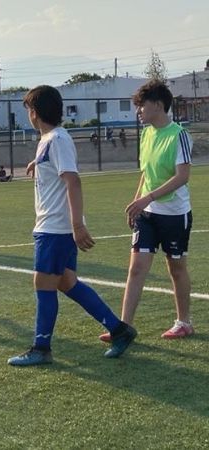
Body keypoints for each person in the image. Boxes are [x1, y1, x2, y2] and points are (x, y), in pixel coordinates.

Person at [7, 85, 135, 366]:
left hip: (55, 227)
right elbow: (56, 168)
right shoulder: (49, 141)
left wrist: (77, 225)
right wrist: (36, 163)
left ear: (35, 112)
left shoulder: (57, 140)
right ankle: (120, 330)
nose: (27, 114)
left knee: (43, 283)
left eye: (28, 108)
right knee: (66, 281)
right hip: (54, 226)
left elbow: (72, 180)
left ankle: (41, 348)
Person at [98, 80, 195, 342]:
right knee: (136, 268)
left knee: (176, 269)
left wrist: (147, 198)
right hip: (148, 214)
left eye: (141, 106)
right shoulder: (146, 133)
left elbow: (182, 177)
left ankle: (184, 322)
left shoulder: (179, 135)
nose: (138, 111)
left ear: (158, 105)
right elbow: (146, 174)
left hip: (175, 214)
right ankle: (123, 328)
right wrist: (137, 202)